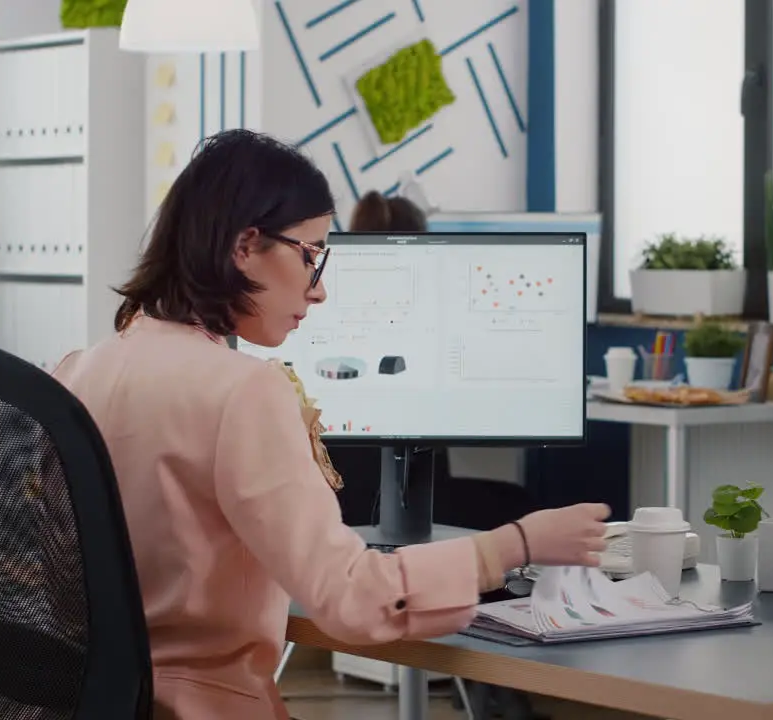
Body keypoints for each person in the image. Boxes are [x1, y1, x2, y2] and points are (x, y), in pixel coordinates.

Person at [51, 129, 610, 720]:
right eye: (310, 254)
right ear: (245, 246)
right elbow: (347, 597)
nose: (318, 290)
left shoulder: (76, 372)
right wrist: (516, 544)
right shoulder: (244, 388)